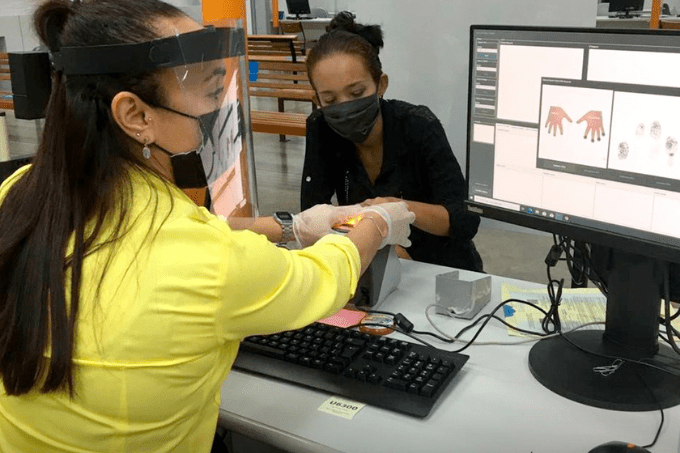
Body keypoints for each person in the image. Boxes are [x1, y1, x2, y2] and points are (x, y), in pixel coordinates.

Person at [0, 1, 415, 452]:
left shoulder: (21, 193)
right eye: (204, 86)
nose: (217, 104)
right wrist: (375, 222)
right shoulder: (206, 263)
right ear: (136, 116)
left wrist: (290, 226)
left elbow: (188, 231)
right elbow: (323, 278)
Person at [301, 12, 483, 272]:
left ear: (381, 85)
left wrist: (400, 210)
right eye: (330, 100)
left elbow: (464, 221)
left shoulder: (418, 126)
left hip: (441, 268)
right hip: (373, 268)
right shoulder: (322, 128)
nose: (345, 107)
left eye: (356, 93)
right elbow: (312, 217)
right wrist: (376, 248)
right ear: (317, 100)